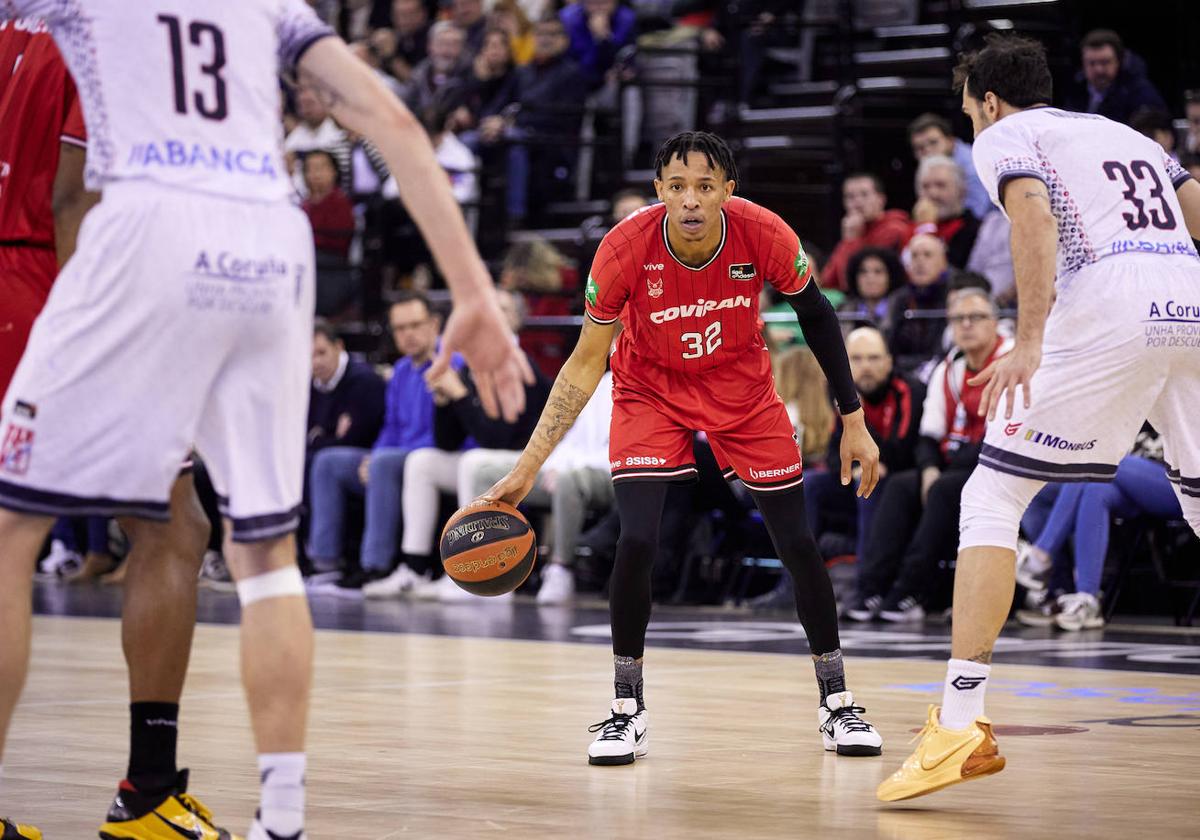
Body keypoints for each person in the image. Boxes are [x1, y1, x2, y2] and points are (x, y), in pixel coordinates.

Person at [0, 5, 530, 839]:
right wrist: (471, 292)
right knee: (263, 552)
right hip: (270, 245)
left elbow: (71, 187)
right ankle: (280, 818)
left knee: (13, 529)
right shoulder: (270, 5)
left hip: (147, 226)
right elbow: (391, 119)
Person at [484, 131, 884, 766]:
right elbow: (586, 364)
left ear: (728, 190)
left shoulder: (765, 233)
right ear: (659, 192)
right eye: (677, 187)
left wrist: (853, 418)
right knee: (637, 538)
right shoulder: (622, 250)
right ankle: (625, 710)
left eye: (705, 187)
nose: (691, 200)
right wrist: (528, 466)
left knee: (796, 542)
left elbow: (817, 316)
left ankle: (838, 701)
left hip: (744, 392)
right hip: (650, 392)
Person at [880, 34, 1200, 802]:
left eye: (967, 114)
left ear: (988, 101)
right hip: (1188, 296)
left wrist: (1026, 341)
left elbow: (1032, 219)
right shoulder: (1123, 134)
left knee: (991, 497)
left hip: (1111, 303)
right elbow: (1196, 209)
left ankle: (959, 726)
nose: (969, 128)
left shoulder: (1007, 137)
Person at [0, 19, 234, 839]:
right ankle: (148, 793)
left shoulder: (14, 27)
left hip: (17, 278)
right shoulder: (101, 31)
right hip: (49, 285)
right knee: (170, 524)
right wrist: (93, 332)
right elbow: (76, 194)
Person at [852, 289, 1010, 623]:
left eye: (976, 317)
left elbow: (1004, 434)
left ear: (995, 322)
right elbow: (929, 435)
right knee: (899, 485)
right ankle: (870, 589)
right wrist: (928, 468)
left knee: (942, 490)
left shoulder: (1010, 361)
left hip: (998, 464)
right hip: (950, 464)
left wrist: (939, 472)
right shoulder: (948, 367)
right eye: (958, 319)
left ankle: (911, 590)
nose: (966, 325)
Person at [307, 293, 448, 595]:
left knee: (384, 464)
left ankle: (375, 567)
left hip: (433, 457)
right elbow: (391, 427)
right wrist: (375, 455)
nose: (407, 334)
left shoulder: (451, 363)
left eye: (414, 325)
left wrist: (382, 458)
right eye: (399, 328)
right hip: (397, 457)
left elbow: (445, 433)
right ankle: (325, 564)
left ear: (435, 325)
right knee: (330, 461)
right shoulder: (400, 371)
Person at [806, 327, 924, 586]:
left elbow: (901, 450)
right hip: (861, 480)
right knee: (811, 484)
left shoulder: (909, 390)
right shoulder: (840, 392)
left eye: (873, 358)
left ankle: (865, 584)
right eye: (856, 360)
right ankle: (799, 583)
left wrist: (854, 410)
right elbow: (833, 456)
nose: (865, 367)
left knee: (868, 482)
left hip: (900, 482)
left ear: (889, 362)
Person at [821, 173, 912, 292]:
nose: (857, 202)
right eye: (850, 197)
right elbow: (827, 281)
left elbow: (850, 284)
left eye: (864, 195)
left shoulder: (894, 230)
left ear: (881, 199)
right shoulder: (853, 229)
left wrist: (851, 241)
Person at [1062, 29, 1166, 126]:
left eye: (1105, 62)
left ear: (1119, 62)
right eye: (1092, 63)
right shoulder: (1075, 91)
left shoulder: (1139, 92)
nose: (1099, 70)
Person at [908, 112, 991, 220]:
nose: (927, 151)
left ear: (950, 141)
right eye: (920, 148)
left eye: (933, 142)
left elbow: (976, 214)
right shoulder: (929, 168)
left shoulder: (973, 166)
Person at [886, 233, 950, 371]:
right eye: (914, 256)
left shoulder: (953, 296)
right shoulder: (898, 299)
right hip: (903, 371)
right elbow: (889, 348)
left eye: (927, 255)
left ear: (943, 263)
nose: (920, 262)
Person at [910, 155, 980, 268]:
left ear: (961, 190)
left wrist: (926, 228)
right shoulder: (910, 227)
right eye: (925, 187)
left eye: (940, 185)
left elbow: (940, 271)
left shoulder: (974, 229)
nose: (933, 194)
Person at [837, 247, 905, 329]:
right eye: (863, 271)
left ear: (890, 277)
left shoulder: (902, 309)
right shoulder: (844, 311)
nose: (870, 278)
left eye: (878, 271)